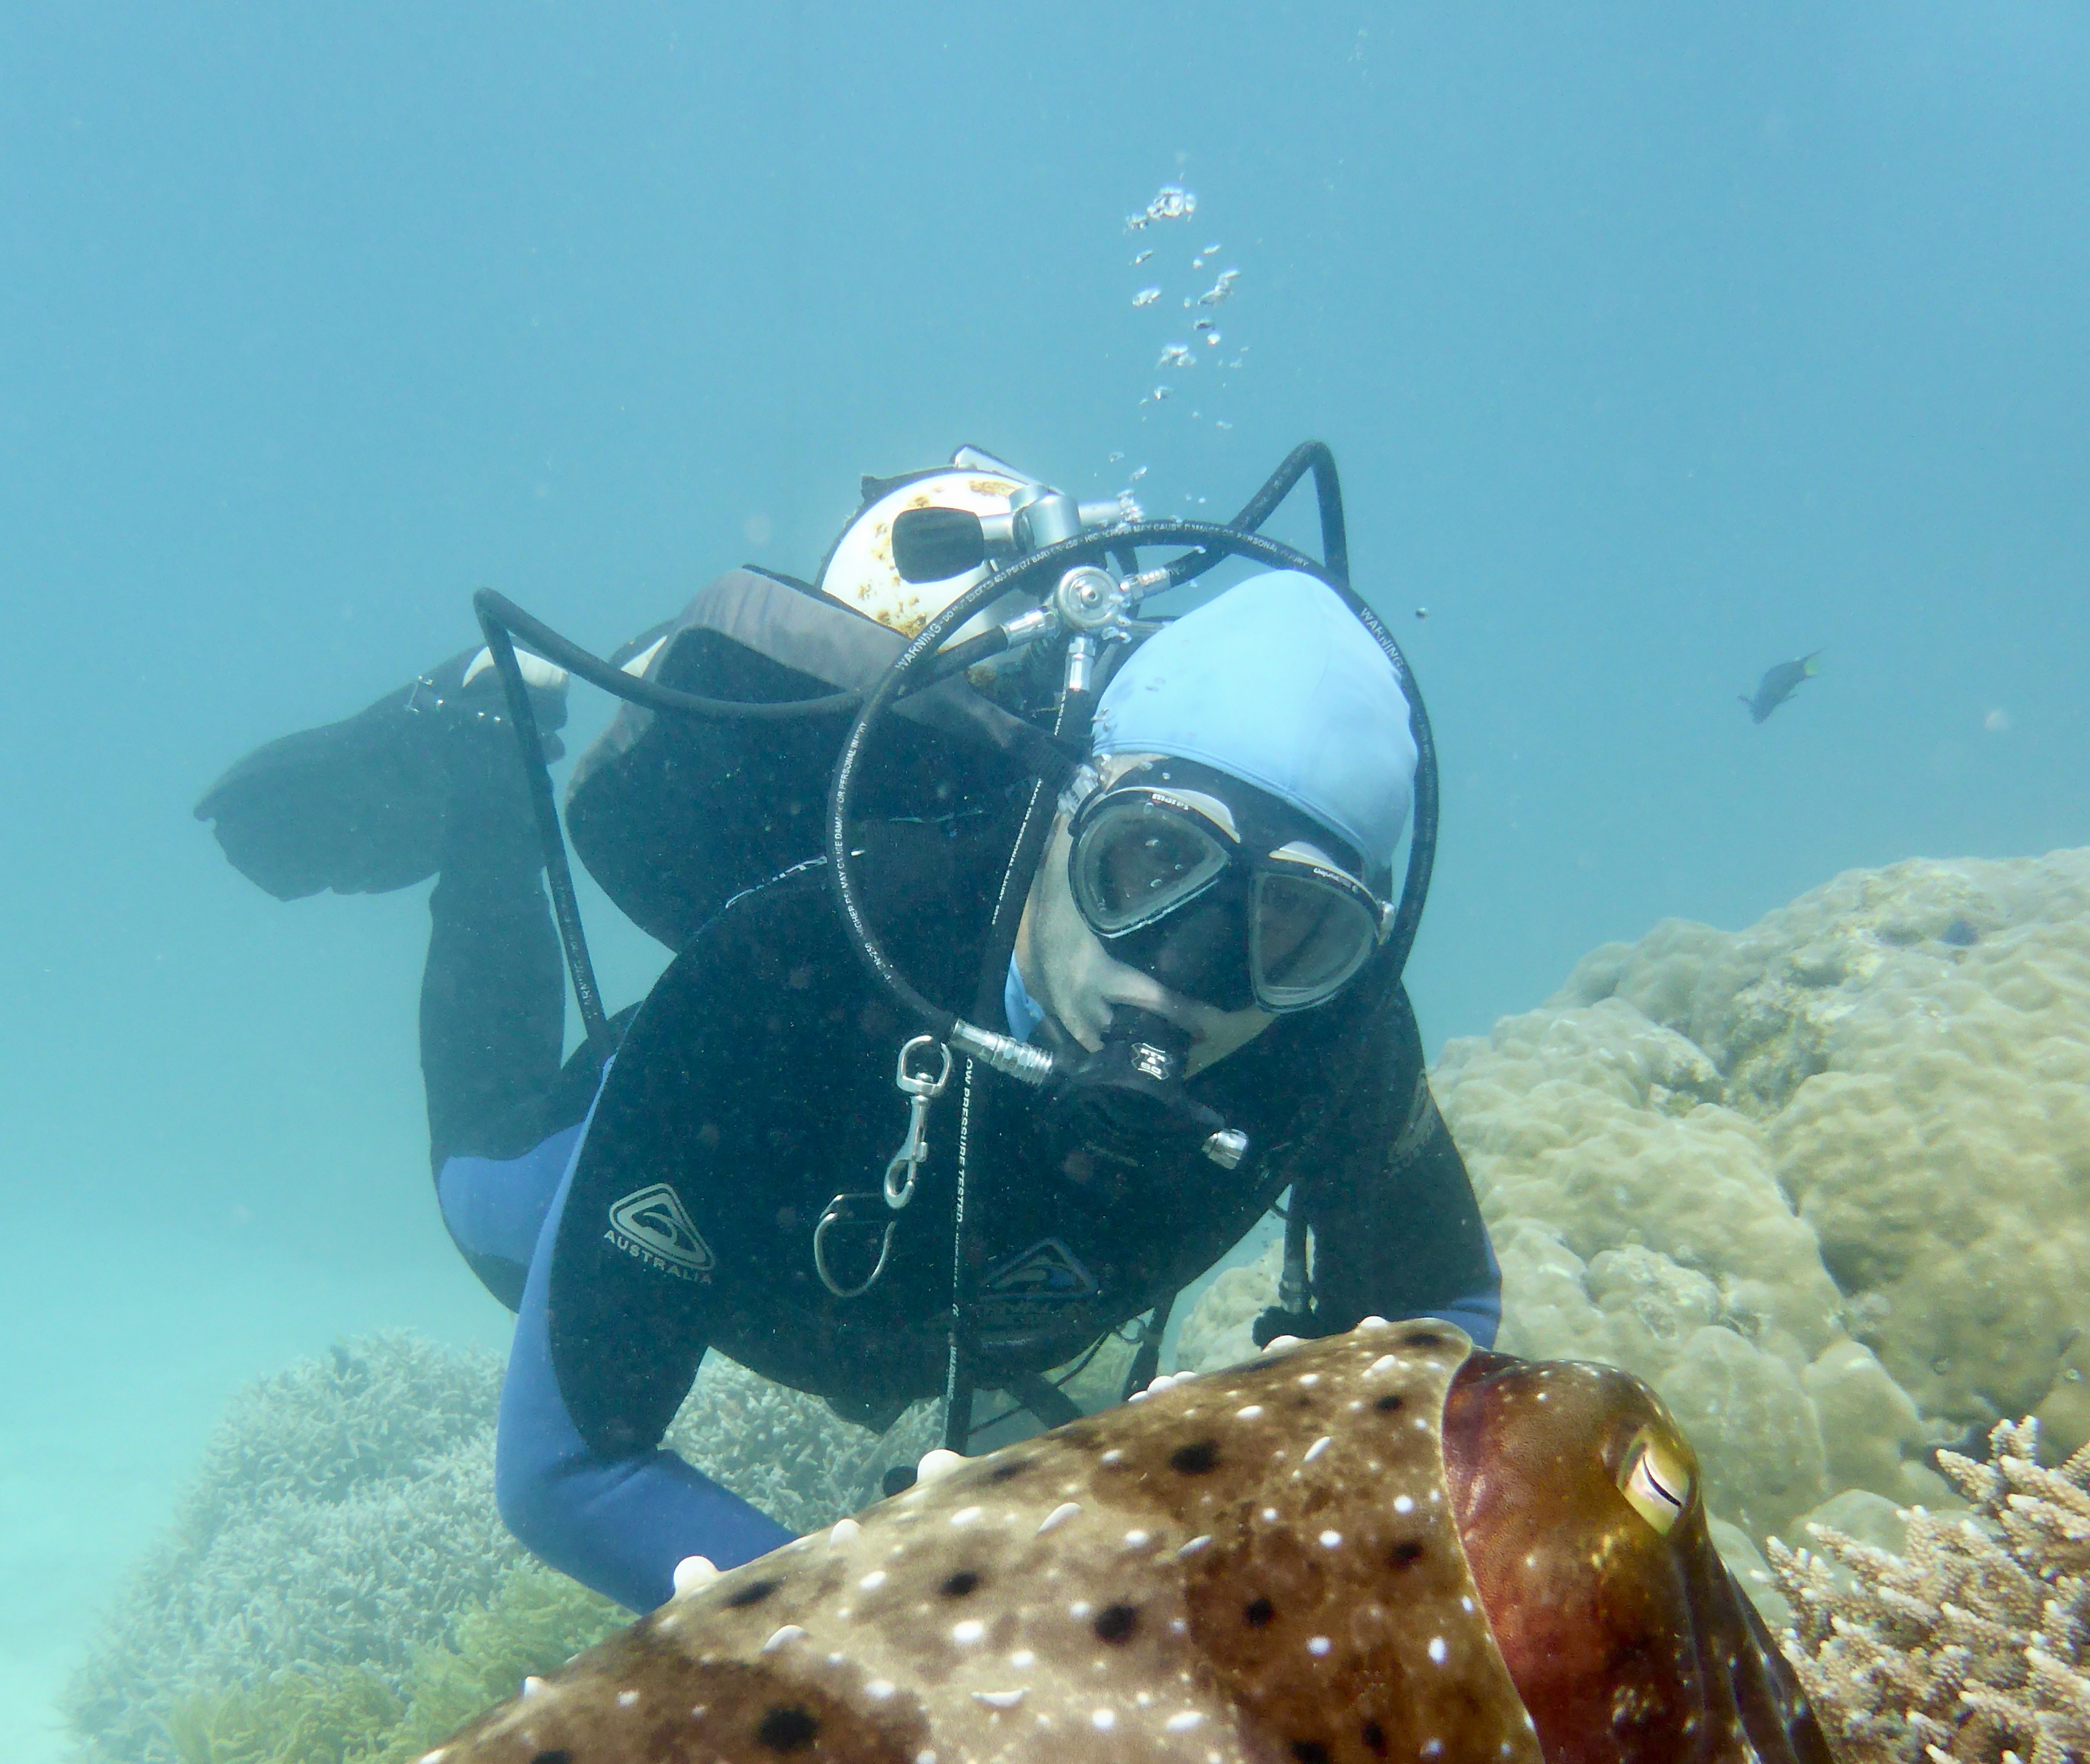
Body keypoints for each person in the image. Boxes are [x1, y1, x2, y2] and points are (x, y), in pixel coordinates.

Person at [196, 453, 1501, 1613]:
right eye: (1146, 861)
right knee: (479, 1193)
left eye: (1293, 928)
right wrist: (912, 1656)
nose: (1184, 979)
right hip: (717, 1183)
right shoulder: (788, 967)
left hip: (942, 1318)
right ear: (1056, 813)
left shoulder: (1336, 1045)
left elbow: (1444, 1324)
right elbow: (569, 1466)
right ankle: (485, 786)